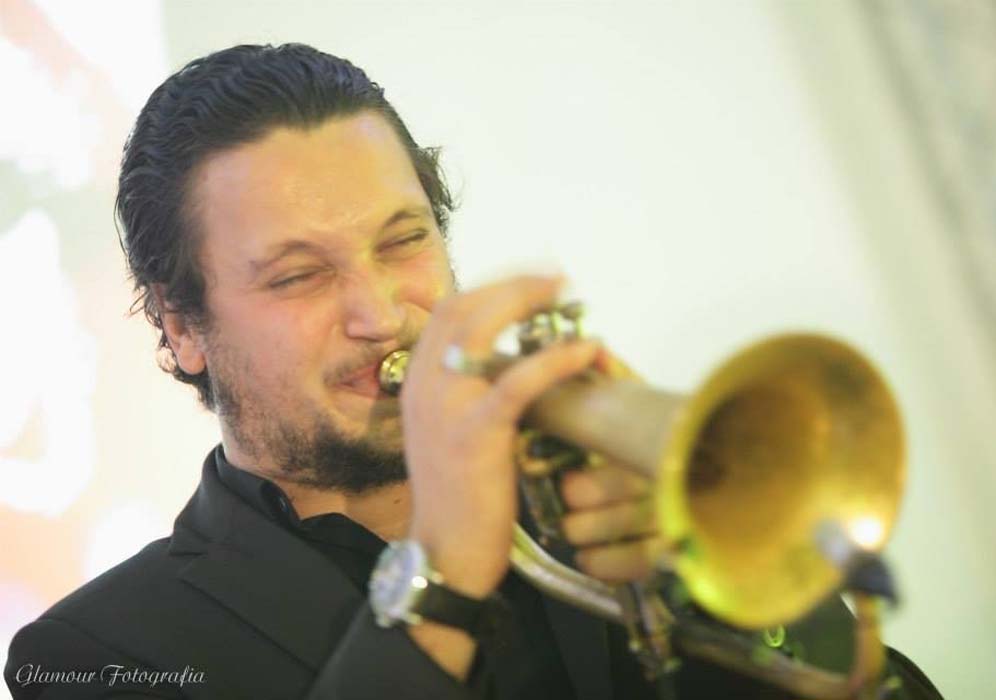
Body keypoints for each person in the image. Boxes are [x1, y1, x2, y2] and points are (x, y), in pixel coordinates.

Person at [4, 43, 943, 700]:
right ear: (183, 327)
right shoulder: (92, 654)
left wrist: (725, 588)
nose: (381, 314)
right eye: (298, 276)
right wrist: (441, 572)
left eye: (403, 241)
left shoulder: (606, 519)